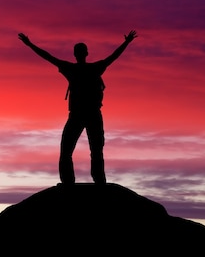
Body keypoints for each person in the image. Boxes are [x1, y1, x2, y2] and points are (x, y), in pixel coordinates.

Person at [18, 30, 137, 185]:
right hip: (88, 114)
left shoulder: (73, 69)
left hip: (82, 114)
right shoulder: (94, 68)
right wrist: (126, 42)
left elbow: (48, 57)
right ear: (86, 53)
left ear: (76, 54)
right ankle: (96, 182)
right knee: (91, 150)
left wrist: (29, 44)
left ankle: (75, 182)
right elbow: (113, 57)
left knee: (73, 150)